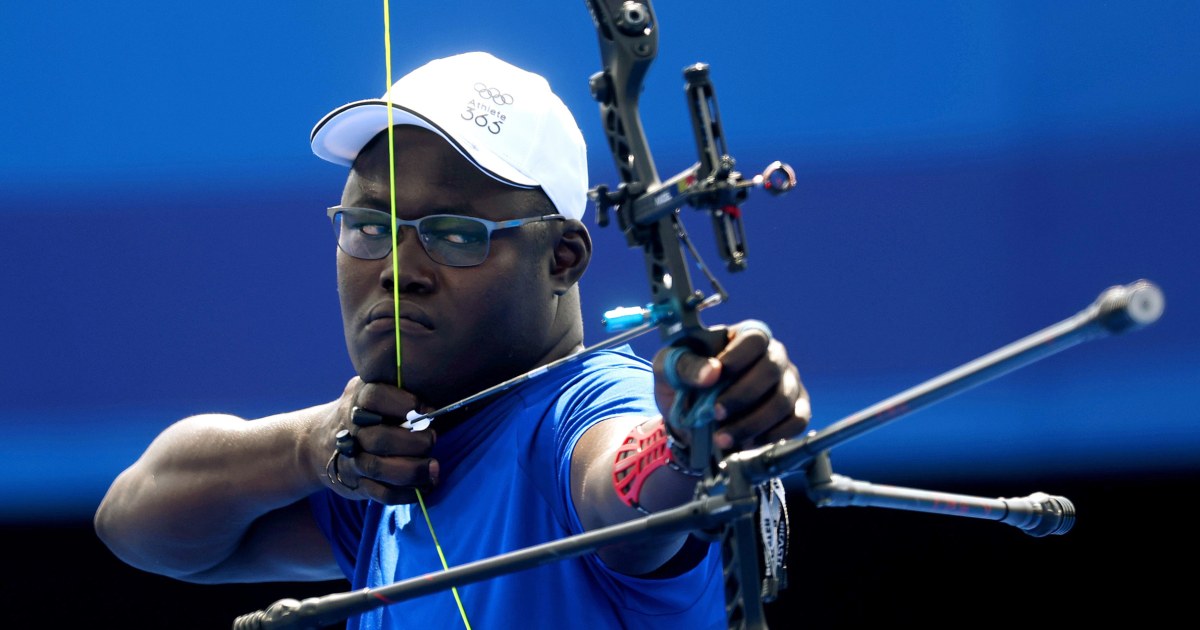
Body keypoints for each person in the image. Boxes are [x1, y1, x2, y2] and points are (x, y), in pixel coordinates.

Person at [94, 51, 810, 629]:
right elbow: (137, 525)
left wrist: (689, 438)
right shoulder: (391, 467)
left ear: (563, 257)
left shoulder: (572, 418)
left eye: (454, 235)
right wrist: (310, 447)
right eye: (371, 227)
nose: (398, 272)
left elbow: (623, 480)